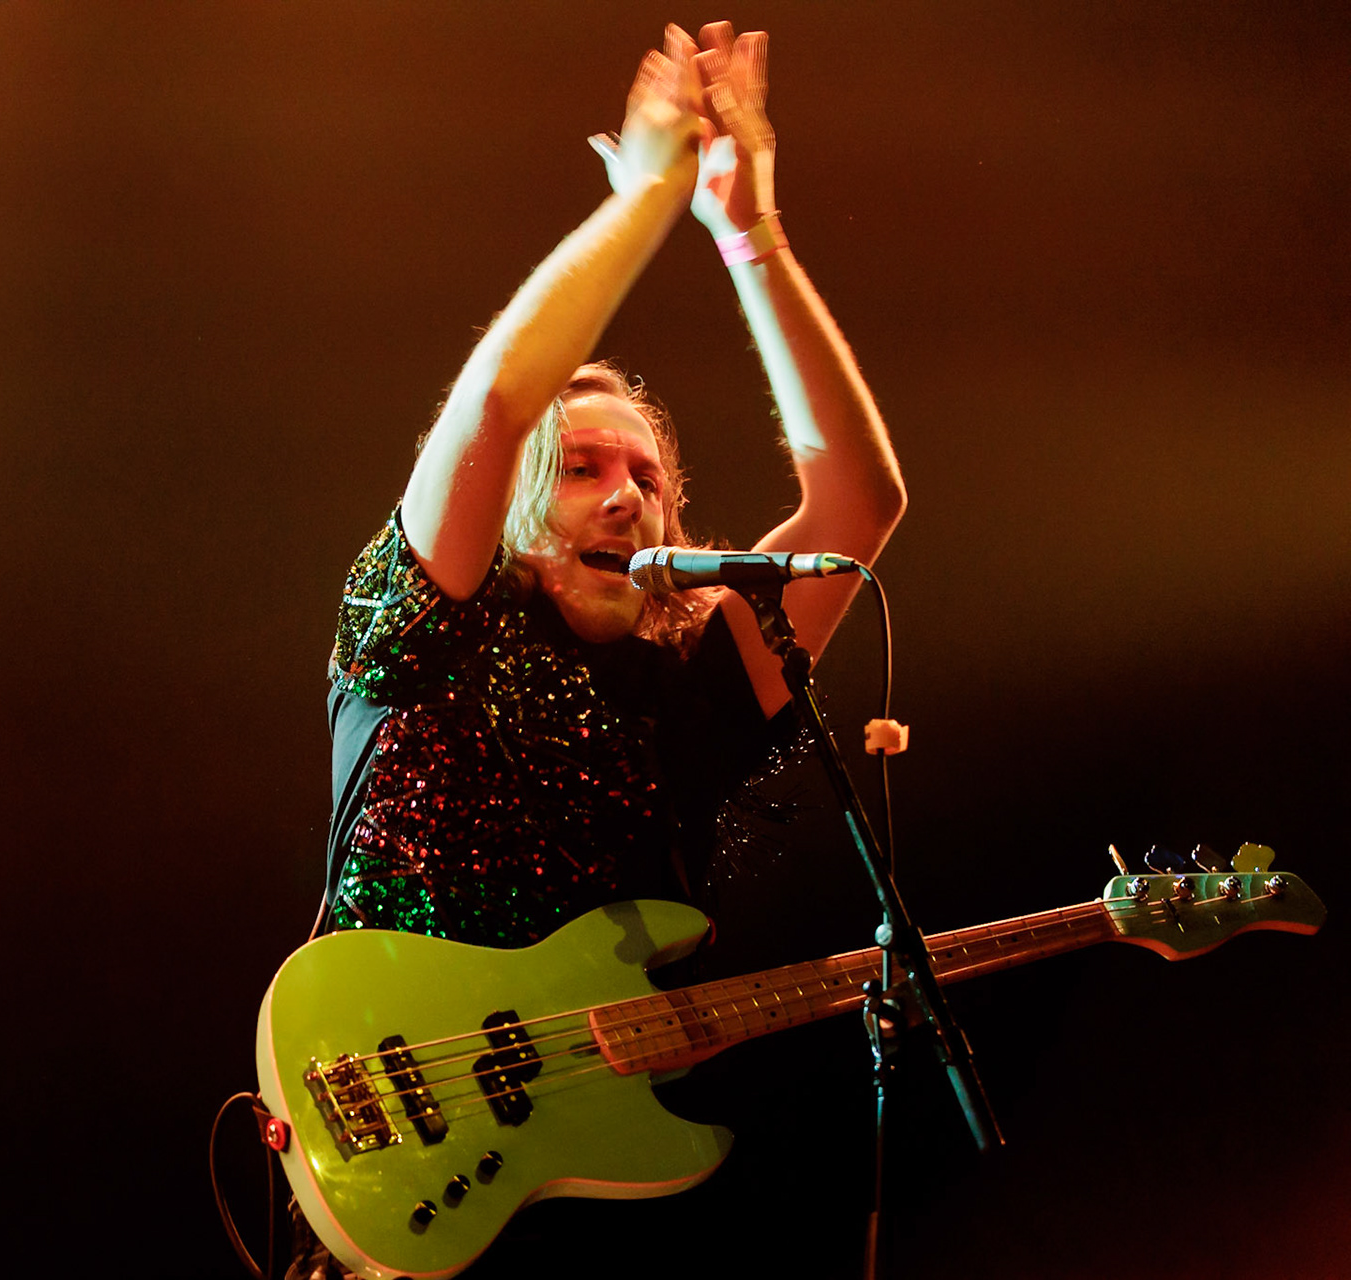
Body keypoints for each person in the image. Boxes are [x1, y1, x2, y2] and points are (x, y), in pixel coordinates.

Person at [295, 20, 905, 1279]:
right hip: (399, 1165)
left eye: (650, 477)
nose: (627, 496)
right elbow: (494, 406)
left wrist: (752, 233)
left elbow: (859, 501)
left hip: (606, 1210)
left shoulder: (686, 692)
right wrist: (641, 207)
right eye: (581, 470)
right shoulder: (429, 625)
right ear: (515, 515)